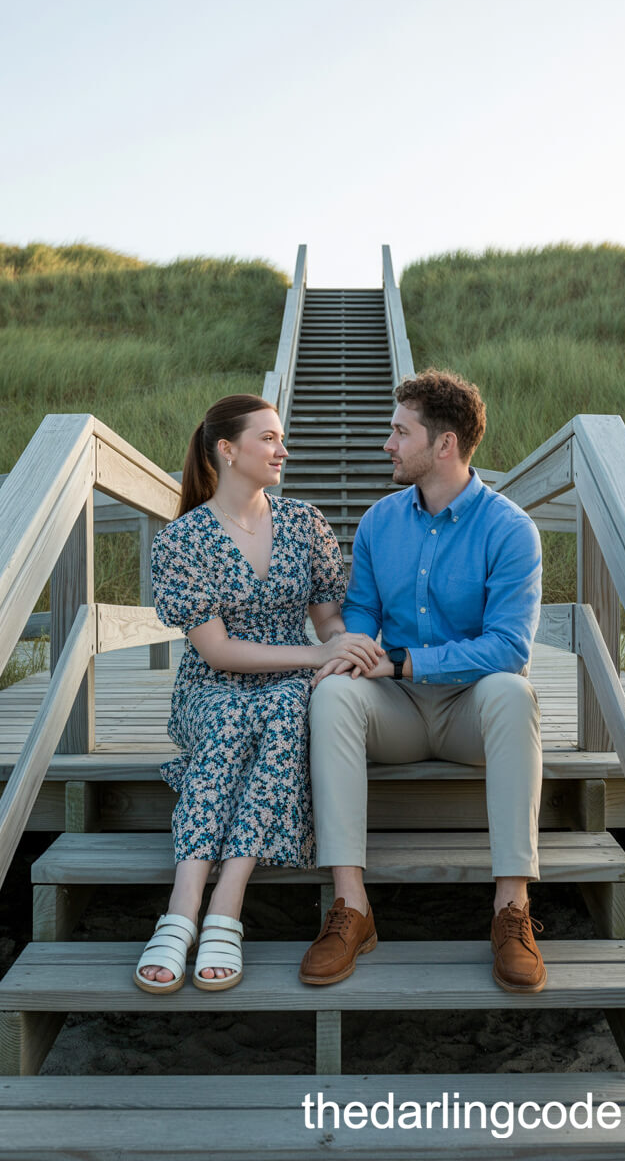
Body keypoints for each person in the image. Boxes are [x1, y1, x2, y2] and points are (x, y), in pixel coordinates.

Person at [299, 369, 546, 993]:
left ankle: (511, 911)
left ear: (444, 445)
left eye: (399, 432)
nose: (388, 444)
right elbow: (362, 610)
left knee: (515, 694)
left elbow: (510, 646)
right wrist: (351, 647)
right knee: (332, 694)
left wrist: (406, 661)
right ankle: (352, 908)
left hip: (472, 711)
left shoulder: (510, 529)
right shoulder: (382, 522)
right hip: (398, 712)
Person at [136, 394, 383, 993]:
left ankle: (227, 901)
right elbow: (217, 651)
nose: (283, 449)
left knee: (288, 708)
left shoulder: (304, 523)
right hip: (213, 684)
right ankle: (183, 903)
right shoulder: (183, 540)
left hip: (288, 682)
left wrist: (341, 647)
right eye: (268, 438)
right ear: (227, 449)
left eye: (282, 438)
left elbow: (326, 617)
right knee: (228, 720)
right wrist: (315, 653)